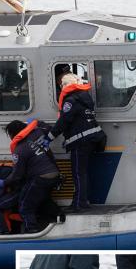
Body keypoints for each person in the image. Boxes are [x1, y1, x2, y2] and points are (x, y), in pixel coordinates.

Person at [39, 73, 106, 212]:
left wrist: (49, 138)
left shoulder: (70, 101)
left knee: (78, 173)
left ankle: (80, 204)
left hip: (80, 142)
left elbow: (64, 121)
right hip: (92, 139)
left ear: (65, 86)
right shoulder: (84, 97)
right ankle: (81, 201)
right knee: (82, 172)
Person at [2, 119, 61, 234]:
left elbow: (17, 175)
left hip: (41, 178)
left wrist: (4, 182)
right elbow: (48, 128)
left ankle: (32, 231)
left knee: (25, 206)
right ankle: (59, 216)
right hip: (54, 175)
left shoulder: (19, 150)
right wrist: (36, 122)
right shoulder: (37, 134)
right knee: (42, 200)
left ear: (13, 134)